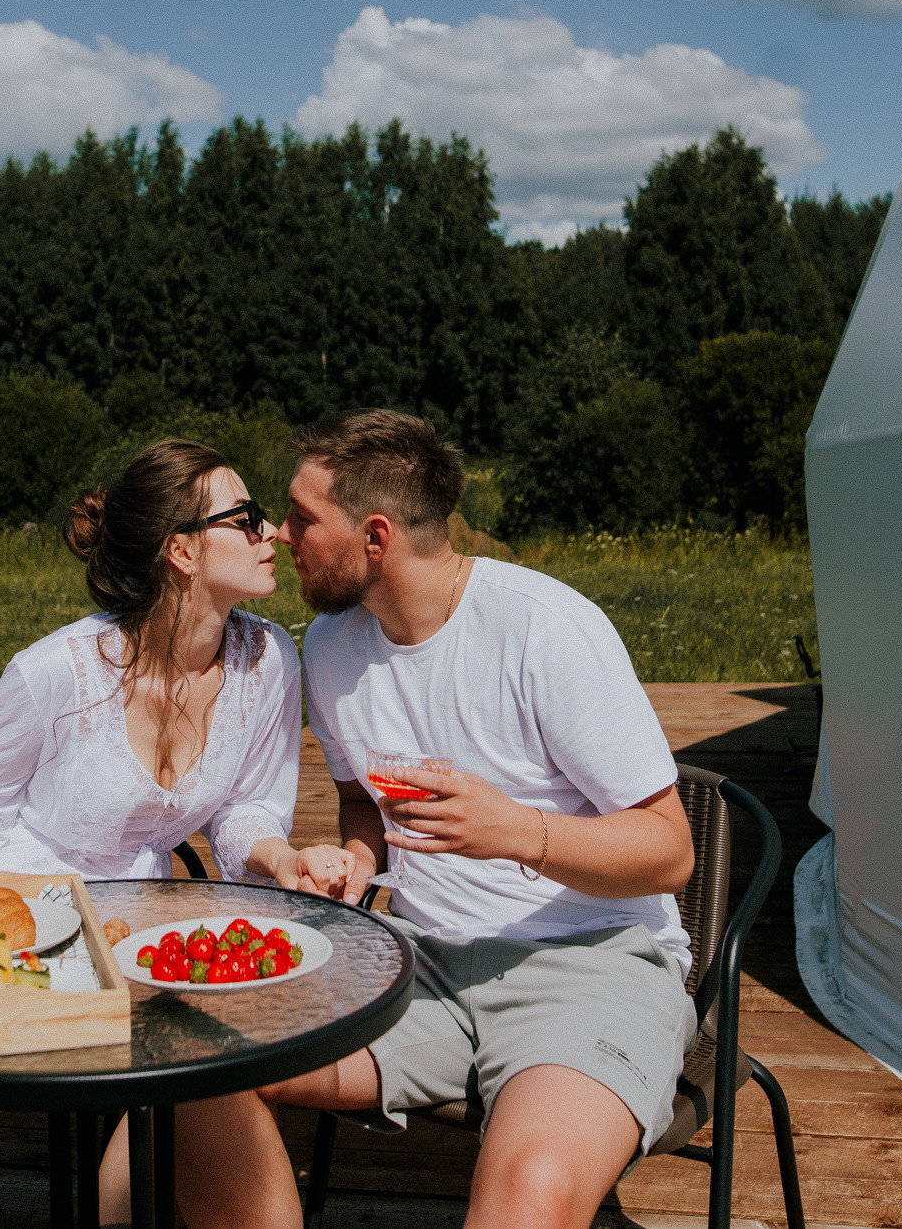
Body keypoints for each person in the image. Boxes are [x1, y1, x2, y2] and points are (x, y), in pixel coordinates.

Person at [0, 437, 352, 1227]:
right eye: (247, 518)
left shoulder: (266, 659)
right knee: (206, 1055)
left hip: (139, 928)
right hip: (19, 926)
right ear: (181, 550)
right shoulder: (59, 674)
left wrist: (285, 856)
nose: (274, 534)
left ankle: (119, 1212)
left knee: (207, 1050)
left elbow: (245, 810)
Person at [225, 408, 700, 1229]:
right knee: (205, 1061)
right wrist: (357, 861)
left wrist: (516, 830)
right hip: (419, 966)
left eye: (302, 518)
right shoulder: (334, 647)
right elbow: (359, 803)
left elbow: (670, 852)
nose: (278, 533)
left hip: (586, 966)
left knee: (530, 1192)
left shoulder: (544, 630)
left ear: (375, 537)